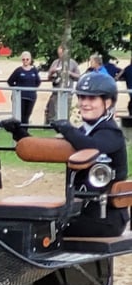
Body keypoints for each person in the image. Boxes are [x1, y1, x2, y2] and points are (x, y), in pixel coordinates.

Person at [50, 72, 129, 236]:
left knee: (47, 229)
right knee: (33, 218)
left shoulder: (111, 133)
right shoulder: (83, 132)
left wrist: (67, 129)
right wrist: (19, 134)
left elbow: (91, 148)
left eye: (92, 99)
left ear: (107, 102)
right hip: (80, 212)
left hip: (105, 218)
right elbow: (51, 149)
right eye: (82, 98)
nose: (85, 103)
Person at [45, 44, 80, 123]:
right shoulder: (55, 62)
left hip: (67, 93)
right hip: (56, 92)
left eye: (61, 54)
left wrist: (70, 73)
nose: (60, 56)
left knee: (65, 112)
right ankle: (52, 126)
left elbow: (78, 76)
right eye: (59, 54)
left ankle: (64, 126)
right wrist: (52, 72)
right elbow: (49, 77)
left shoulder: (72, 63)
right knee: (52, 111)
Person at [6, 51, 41, 125]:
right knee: (20, 116)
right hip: (21, 97)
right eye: (23, 59)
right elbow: (10, 81)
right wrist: (17, 88)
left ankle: (25, 132)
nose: (25, 61)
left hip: (31, 96)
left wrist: (32, 88)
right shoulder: (18, 70)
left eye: (27, 59)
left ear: (30, 60)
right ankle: (19, 133)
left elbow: (38, 82)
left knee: (27, 116)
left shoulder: (34, 71)